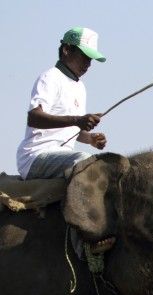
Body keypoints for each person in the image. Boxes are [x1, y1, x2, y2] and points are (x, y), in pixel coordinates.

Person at [16, 27, 108, 180]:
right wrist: (78, 120)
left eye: (91, 59)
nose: (89, 64)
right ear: (66, 50)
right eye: (85, 56)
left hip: (61, 156)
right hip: (36, 156)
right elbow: (34, 117)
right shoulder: (50, 77)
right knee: (84, 160)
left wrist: (90, 138)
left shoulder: (80, 87)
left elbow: (70, 130)